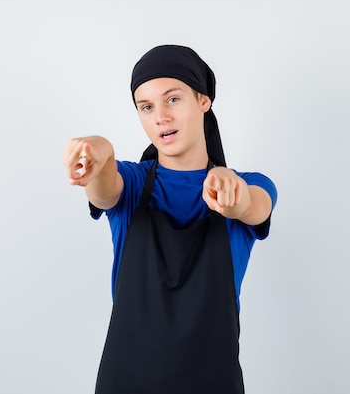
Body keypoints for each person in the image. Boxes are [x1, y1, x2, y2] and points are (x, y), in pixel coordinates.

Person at [63, 45, 277, 394]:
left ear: (203, 100)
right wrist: (100, 154)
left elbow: (255, 207)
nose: (160, 116)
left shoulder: (250, 185)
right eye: (146, 107)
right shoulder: (130, 183)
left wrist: (235, 198)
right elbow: (104, 189)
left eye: (173, 99)